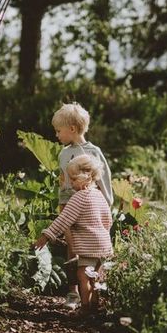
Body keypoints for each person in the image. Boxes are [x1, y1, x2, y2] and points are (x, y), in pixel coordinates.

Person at [34, 154, 113, 317]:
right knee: (96, 277)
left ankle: (84, 308)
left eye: (74, 179)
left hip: (89, 246)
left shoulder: (80, 197)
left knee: (82, 275)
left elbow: (63, 220)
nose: (70, 183)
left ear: (87, 176)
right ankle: (95, 305)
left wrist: (46, 236)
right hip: (104, 245)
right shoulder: (99, 195)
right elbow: (108, 220)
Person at [51, 102, 113, 307]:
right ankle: (73, 291)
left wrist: (106, 203)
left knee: (90, 248)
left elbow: (103, 179)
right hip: (69, 204)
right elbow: (62, 182)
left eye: (59, 131)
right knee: (71, 245)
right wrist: (61, 205)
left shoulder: (94, 152)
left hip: (90, 207)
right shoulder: (63, 154)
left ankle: (94, 291)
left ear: (72, 129)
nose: (57, 135)